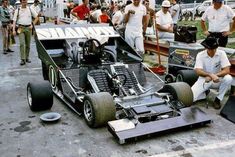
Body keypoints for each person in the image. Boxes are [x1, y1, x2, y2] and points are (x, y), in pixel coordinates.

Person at [191, 36, 233, 109]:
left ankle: (218, 99)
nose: (213, 51)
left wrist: (214, 75)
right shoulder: (200, 55)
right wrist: (210, 75)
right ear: (206, 48)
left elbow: (227, 70)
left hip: (217, 79)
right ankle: (205, 91)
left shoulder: (222, 53)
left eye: (214, 48)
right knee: (191, 98)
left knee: (228, 78)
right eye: (210, 49)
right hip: (204, 79)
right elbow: (198, 71)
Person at [12, 0, 39, 65]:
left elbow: (37, 17)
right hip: (20, 28)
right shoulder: (17, 10)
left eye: (25, 1)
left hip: (28, 28)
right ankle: (22, 59)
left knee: (28, 44)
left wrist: (32, 25)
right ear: (21, 2)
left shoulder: (30, 9)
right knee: (22, 43)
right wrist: (13, 30)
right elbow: (14, 21)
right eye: (23, 2)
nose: (25, 3)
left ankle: (27, 57)